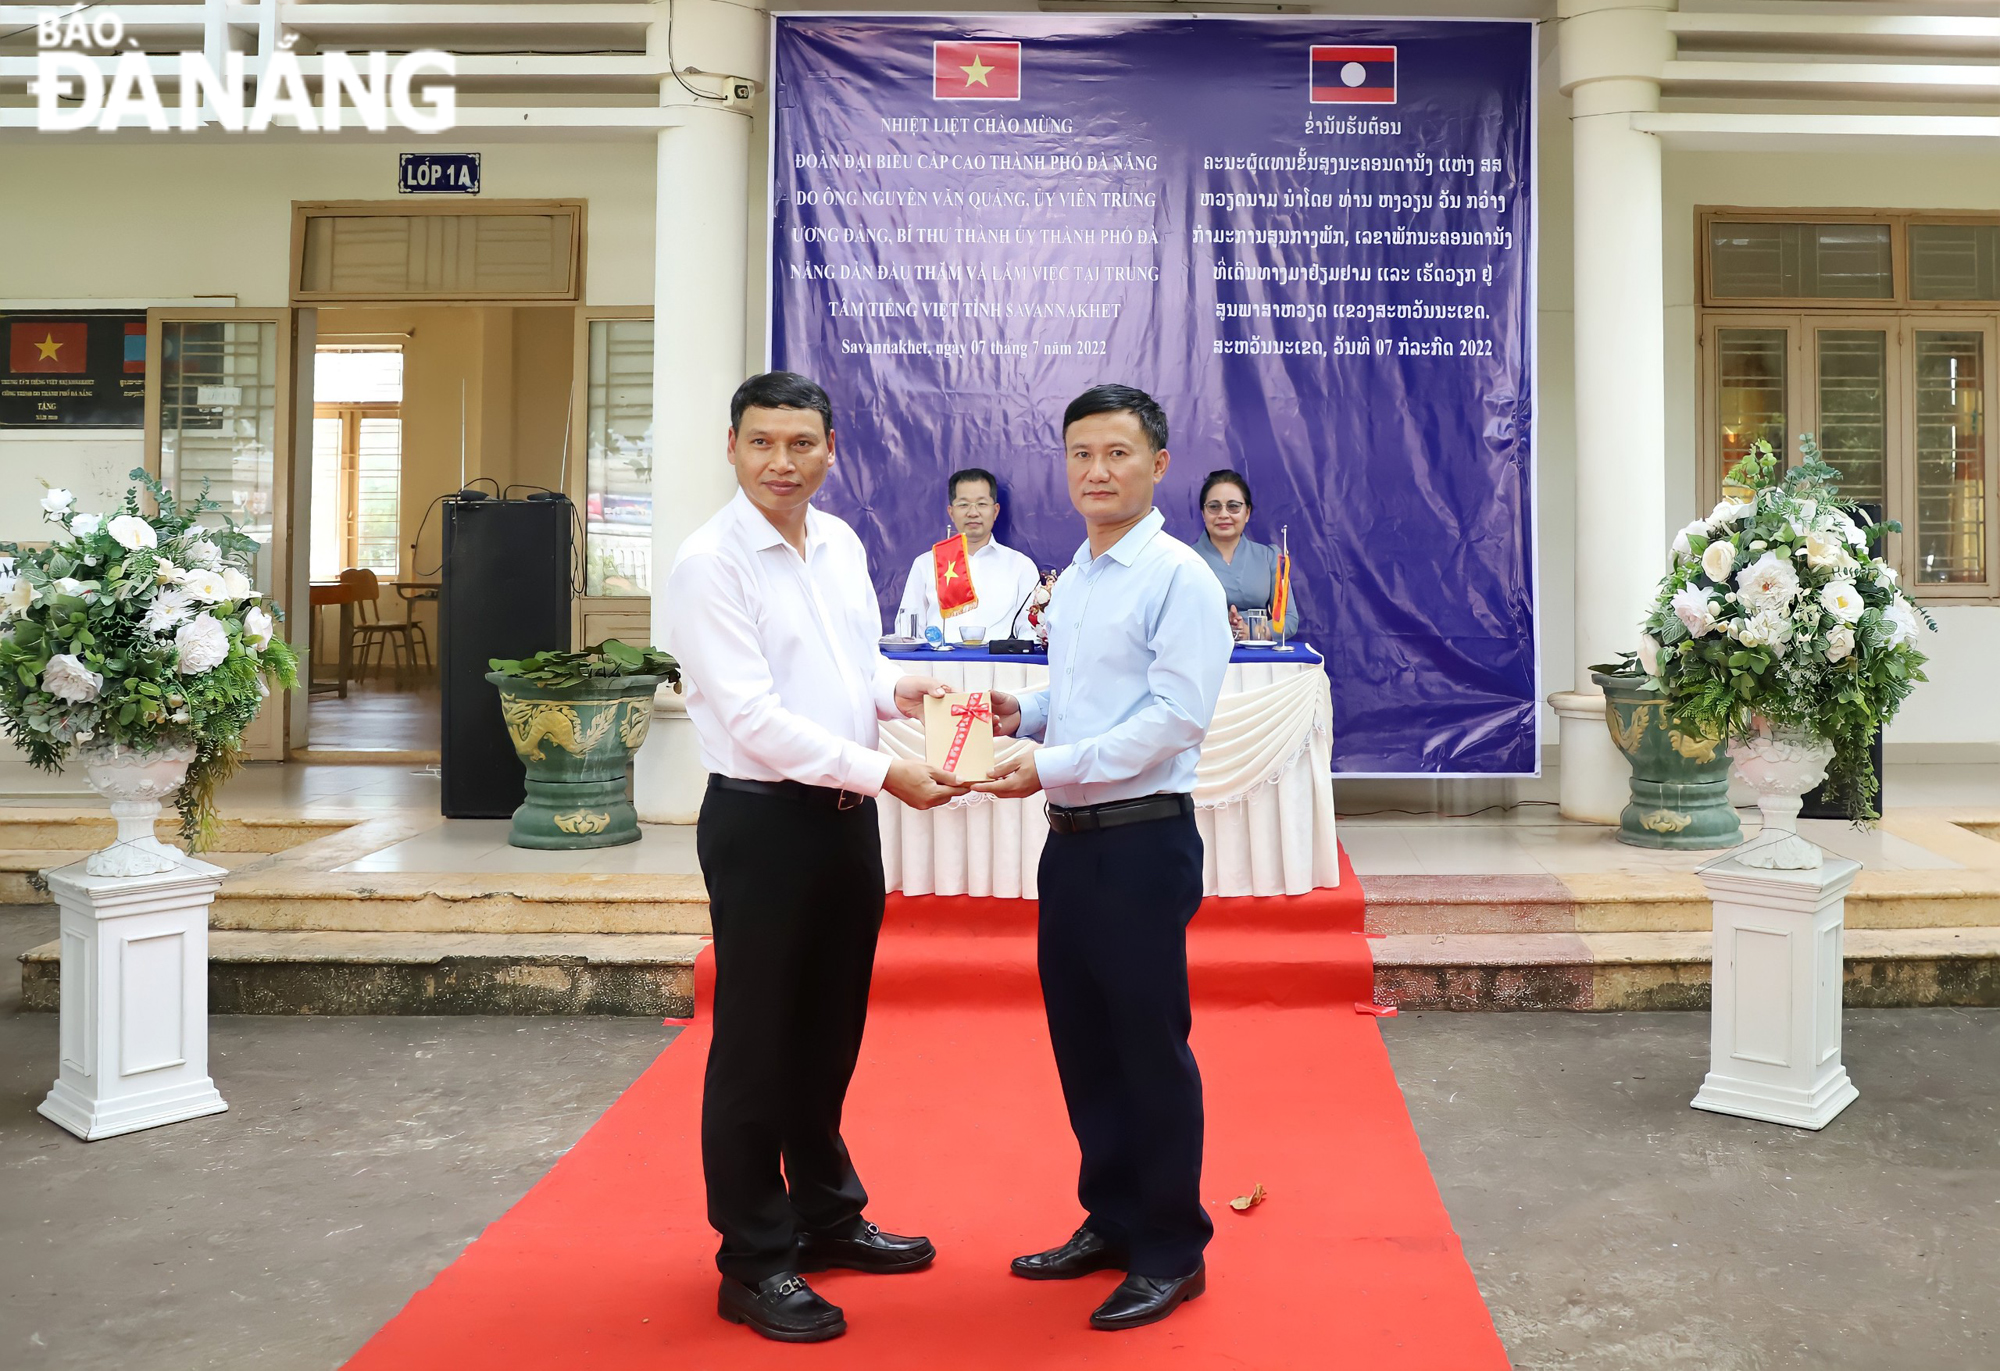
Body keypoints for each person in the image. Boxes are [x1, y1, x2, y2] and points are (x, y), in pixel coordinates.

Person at [663, 371, 973, 1344]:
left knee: (828, 1033)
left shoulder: (837, 542)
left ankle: (826, 1217)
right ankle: (752, 1261)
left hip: (842, 823)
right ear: (732, 448)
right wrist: (886, 771)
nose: (781, 463)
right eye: (762, 443)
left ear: (830, 449)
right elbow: (753, 719)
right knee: (756, 1047)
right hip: (762, 826)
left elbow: (856, 668)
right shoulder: (709, 563)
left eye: (801, 444)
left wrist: (929, 699)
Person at [975, 383, 1233, 1332]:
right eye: (1082, 453)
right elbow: (1079, 693)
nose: (1098, 471)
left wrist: (1047, 761)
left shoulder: (1179, 577)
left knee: (1148, 1050)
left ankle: (1172, 1245)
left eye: (1118, 454)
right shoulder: (1078, 576)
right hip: (1071, 843)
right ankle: (1112, 1217)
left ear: (1158, 464)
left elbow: (1173, 719)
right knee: (1083, 1043)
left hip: (1140, 839)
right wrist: (1026, 716)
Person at [894, 467, 1042, 642]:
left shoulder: (1020, 566)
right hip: (937, 666)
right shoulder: (926, 564)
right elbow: (907, 632)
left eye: (981, 504)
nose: (973, 513)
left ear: (995, 511)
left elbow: (1031, 632)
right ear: (951, 512)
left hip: (998, 667)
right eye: (963, 505)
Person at [1191, 469, 1299, 640]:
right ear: (1203, 514)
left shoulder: (1269, 557)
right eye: (1214, 507)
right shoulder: (1186, 560)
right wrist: (1220, 625)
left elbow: (1289, 620)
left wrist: (1252, 632)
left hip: (1257, 659)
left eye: (1233, 506)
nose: (1223, 514)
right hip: (1204, 656)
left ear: (1247, 513)